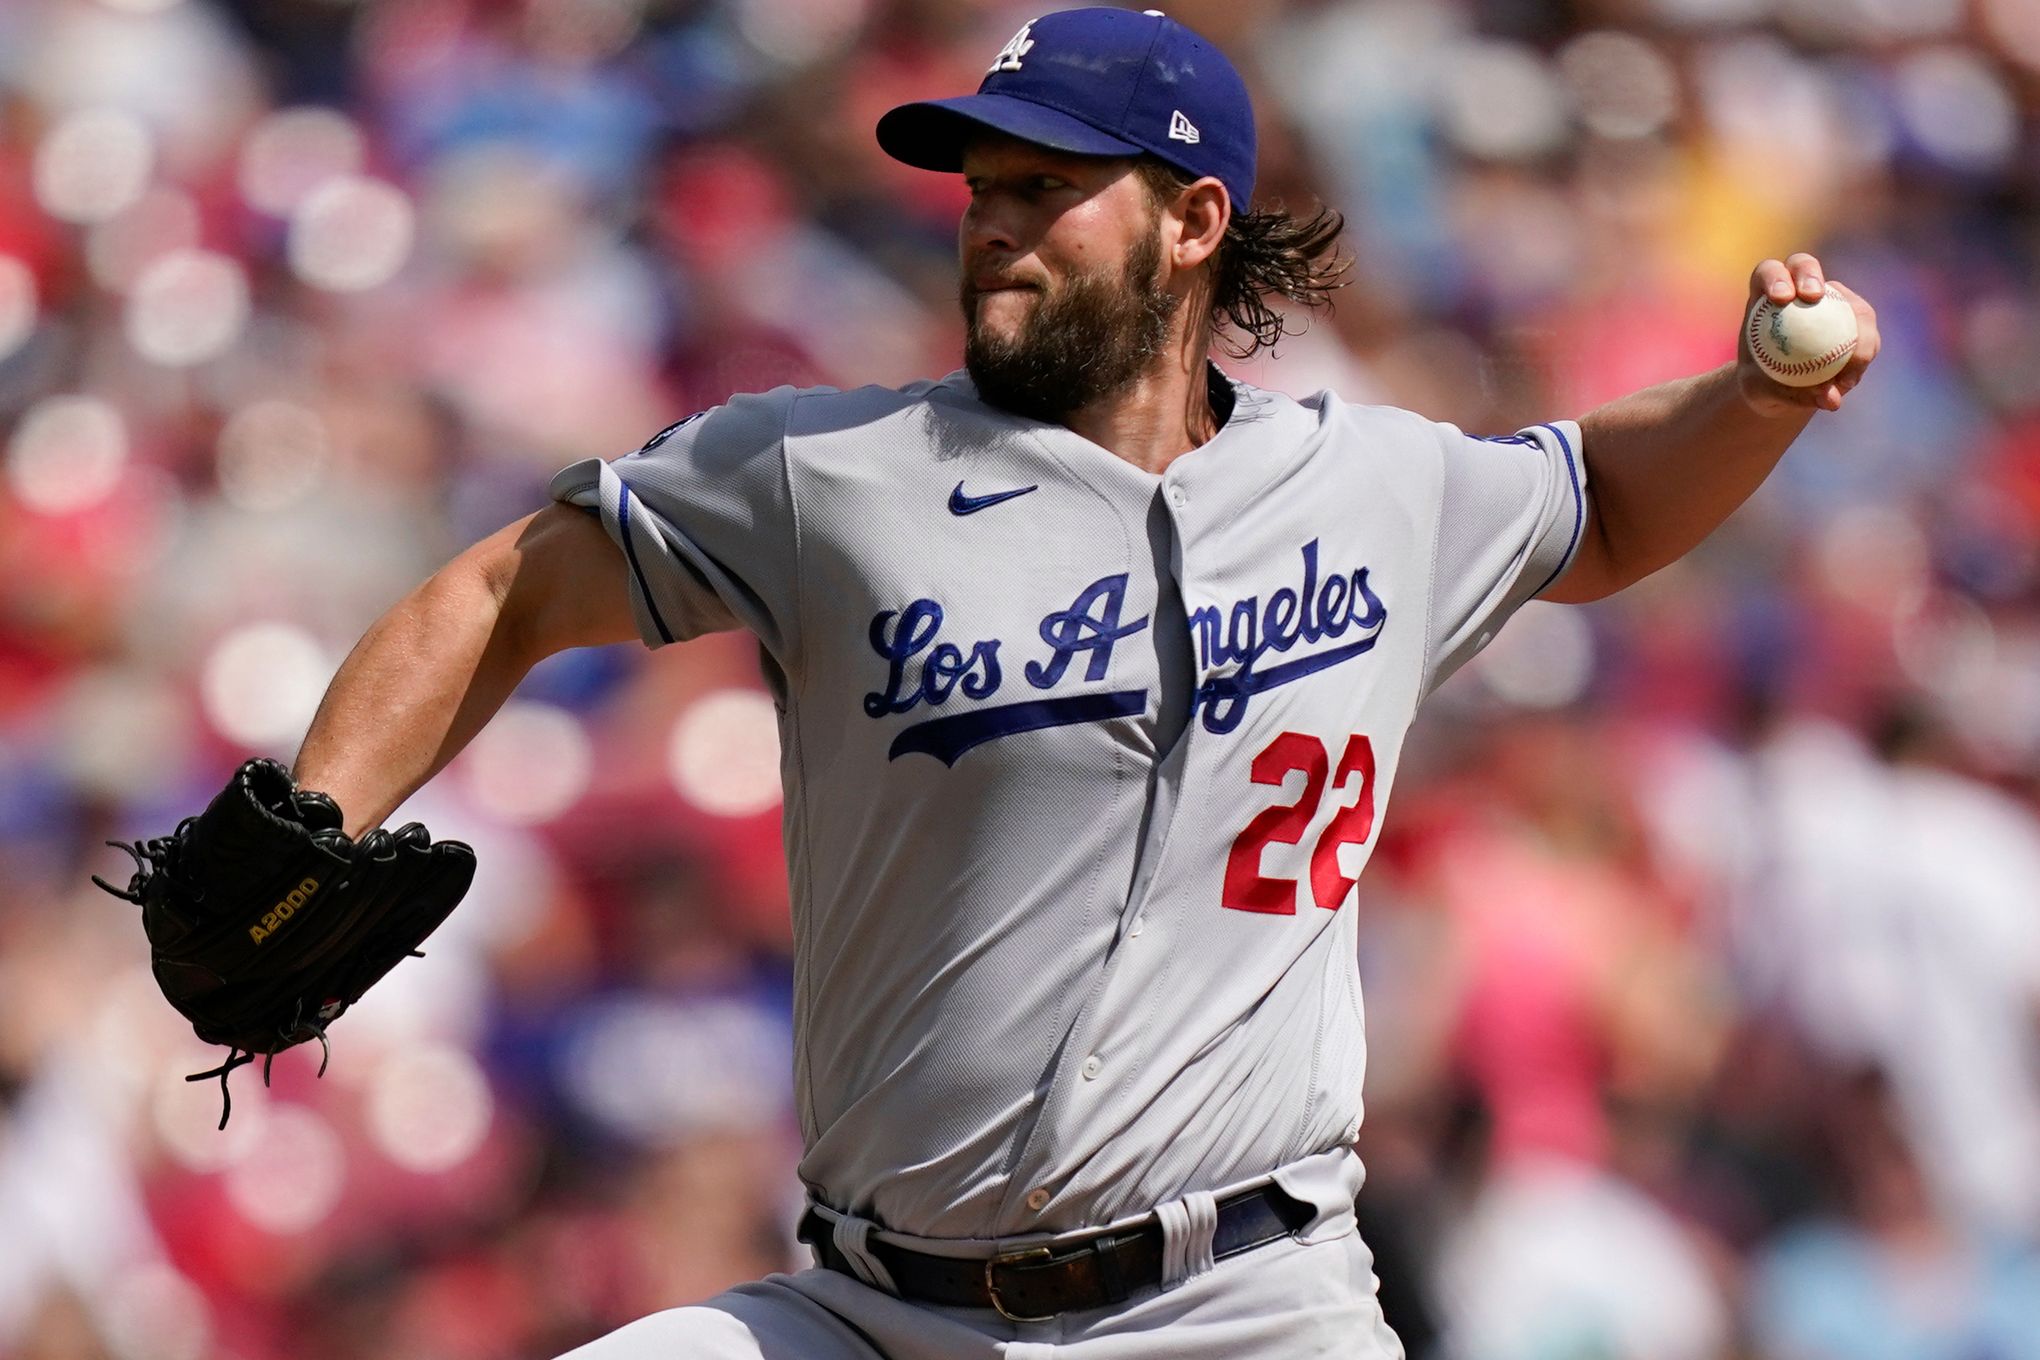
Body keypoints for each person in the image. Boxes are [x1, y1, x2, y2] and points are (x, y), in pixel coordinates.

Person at [285, 9, 1879, 1357]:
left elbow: (1597, 497)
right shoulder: (827, 473)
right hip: (872, 1312)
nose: (992, 220)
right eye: (982, 186)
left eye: (1045, 186)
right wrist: (308, 819)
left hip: (1246, 1303)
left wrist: (1754, 395)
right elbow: (505, 586)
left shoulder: (1375, 484)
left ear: (1194, 222)